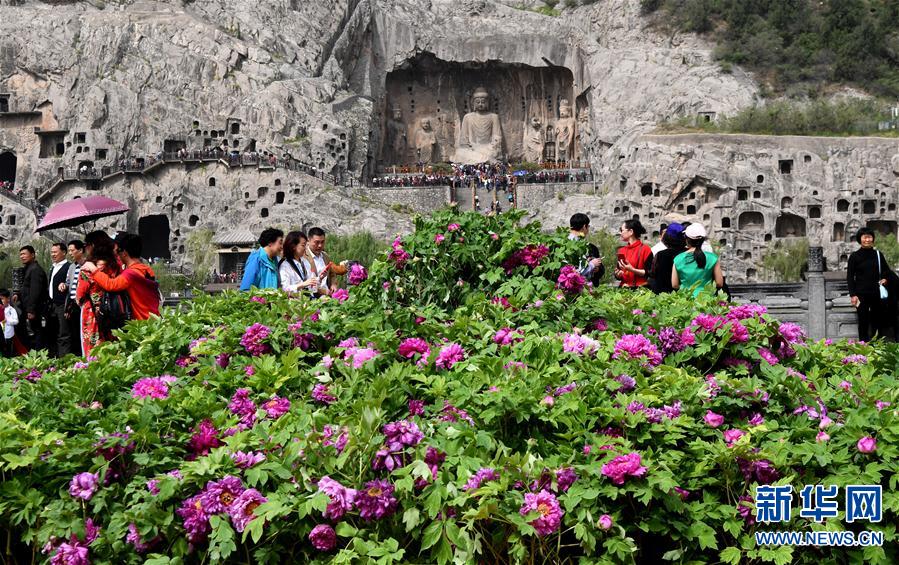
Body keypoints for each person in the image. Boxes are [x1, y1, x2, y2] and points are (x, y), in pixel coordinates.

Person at [80, 233, 161, 321]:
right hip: (153, 315)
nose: (116, 254)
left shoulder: (131, 274)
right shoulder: (146, 269)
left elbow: (111, 285)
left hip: (143, 320)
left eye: (118, 251)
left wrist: (93, 269)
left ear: (124, 253)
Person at [847, 227, 896, 341]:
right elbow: (850, 277)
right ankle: (863, 346)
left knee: (877, 321)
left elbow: (887, 272)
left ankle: (877, 346)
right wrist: (853, 295)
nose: (867, 240)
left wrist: (885, 279)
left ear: (873, 239)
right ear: (860, 239)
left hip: (877, 294)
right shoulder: (854, 256)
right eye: (864, 237)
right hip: (861, 295)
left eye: (869, 237)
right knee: (863, 321)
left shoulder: (878, 254)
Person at [76, 231, 121, 355]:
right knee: (112, 345)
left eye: (86, 245)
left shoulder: (88, 267)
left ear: (92, 245)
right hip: (113, 309)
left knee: (93, 347)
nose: (85, 248)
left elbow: (79, 296)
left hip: (92, 311)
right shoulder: (115, 265)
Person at [672, 223, 724, 296]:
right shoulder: (712, 258)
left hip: (686, 299)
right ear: (702, 240)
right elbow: (719, 283)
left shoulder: (678, 258)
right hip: (707, 299)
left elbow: (674, 285)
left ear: (686, 239)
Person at [18, 245, 49, 350]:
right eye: (20, 254)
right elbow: (26, 288)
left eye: (24, 254)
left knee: (37, 332)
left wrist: (31, 310)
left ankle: (39, 356)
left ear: (32, 255)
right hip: (29, 308)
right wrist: (17, 295)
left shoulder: (35, 270)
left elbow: (35, 291)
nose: (22, 256)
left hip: (36, 309)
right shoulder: (28, 269)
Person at [47, 242, 72, 356]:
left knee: (64, 333)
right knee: (53, 332)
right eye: (51, 252)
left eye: (55, 252)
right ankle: (54, 356)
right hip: (52, 305)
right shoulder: (53, 267)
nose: (53, 254)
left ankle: (64, 358)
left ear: (64, 252)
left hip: (63, 304)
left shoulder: (69, 267)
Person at [567, 213, 605, 286]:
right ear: (584, 227)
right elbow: (578, 272)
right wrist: (592, 264)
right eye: (588, 227)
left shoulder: (563, 241)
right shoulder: (579, 245)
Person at [614, 219, 653, 288]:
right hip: (623, 289)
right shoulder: (621, 250)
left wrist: (632, 270)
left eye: (622, 230)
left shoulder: (646, 249)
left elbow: (650, 273)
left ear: (631, 231)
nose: (620, 233)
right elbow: (619, 274)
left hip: (640, 290)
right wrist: (618, 275)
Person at [649, 223, 686, 294]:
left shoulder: (660, 254)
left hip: (662, 294)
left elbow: (652, 273)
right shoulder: (686, 254)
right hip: (682, 294)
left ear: (666, 237)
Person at [65, 240, 86, 356]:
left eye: (72, 250)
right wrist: (64, 285)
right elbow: (68, 282)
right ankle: (77, 356)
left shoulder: (88, 265)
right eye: (69, 251)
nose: (70, 253)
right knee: (73, 332)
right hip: (73, 304)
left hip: (83, 303)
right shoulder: (72, 267)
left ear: (81, 250)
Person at [305, 227, 340, 296]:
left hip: (327, 295)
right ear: (308, 241)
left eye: (322, 242)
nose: (320, 245)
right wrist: (323, 291)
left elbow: (332, 274)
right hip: (312, 296)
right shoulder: (303, 257)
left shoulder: (325, 256)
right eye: (317, 242)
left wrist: (333, 284)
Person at [1, 289, 18, 357]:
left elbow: (16, 321)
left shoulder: (12, 310)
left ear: (8, 299)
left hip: (8, 334)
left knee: (8, 351)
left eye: (2, 299)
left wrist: (7, 320)